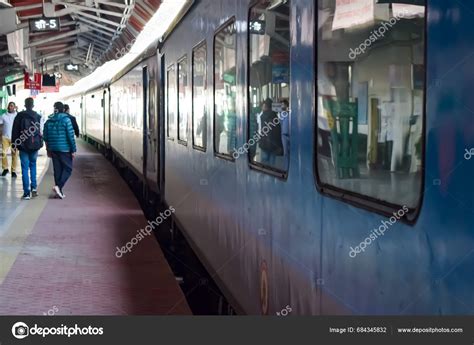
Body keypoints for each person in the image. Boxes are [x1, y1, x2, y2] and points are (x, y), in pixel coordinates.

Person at [43, 102, 77, 199]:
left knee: (57, 170)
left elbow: (45, 137)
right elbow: (70, 136)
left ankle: (59, 192)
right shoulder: (66, 120)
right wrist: (73, 149)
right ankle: (58, 187)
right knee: (68, 169)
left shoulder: (48, 121)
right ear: (63, 109)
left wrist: (48, 149)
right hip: (65, 149)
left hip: (53, 149)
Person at [11, 98, 43, 200]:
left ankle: (26, 193)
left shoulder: (19, 115)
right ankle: (34, 188)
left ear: (24, 105)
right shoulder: (38, 116)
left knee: (25, 168)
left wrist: (14, 144)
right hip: (35, 145)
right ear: (33, 105)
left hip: (23, 145)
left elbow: (15, 131)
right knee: (33, 166)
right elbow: (40, 131)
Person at [258, 98, 283, 166]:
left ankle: (263, 174)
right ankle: (271, 174)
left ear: (266, 106)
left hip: (264, 142)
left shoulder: (262, 116)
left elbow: (261, 130)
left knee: (265, 159)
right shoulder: (275, 117)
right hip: (274, 143)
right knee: (272, 160)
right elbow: (278, 131)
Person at [0, 102, 19, 177]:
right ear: (8, 107)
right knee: (3, 153)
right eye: (9, 106)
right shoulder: (3, 116)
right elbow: (0, 126)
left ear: (14, 107)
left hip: (15, 138)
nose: (10, 107)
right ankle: (5, 169)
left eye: (12, 106)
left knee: (15, 154)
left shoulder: (17, 115)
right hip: (5, 137)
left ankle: (13, 171)